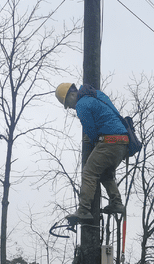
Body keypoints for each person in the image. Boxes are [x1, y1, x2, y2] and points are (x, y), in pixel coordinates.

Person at [54, 82, 129, 225]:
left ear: (71, 95)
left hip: (110, 141)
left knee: (89, 172)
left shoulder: (82, 104)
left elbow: (91, 130)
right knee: (104, 173)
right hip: (123, 143)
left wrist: (92, 139)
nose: (70, 107)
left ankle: (83, 210)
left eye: (68, 103)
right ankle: (116, 202)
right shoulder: (96, 95)